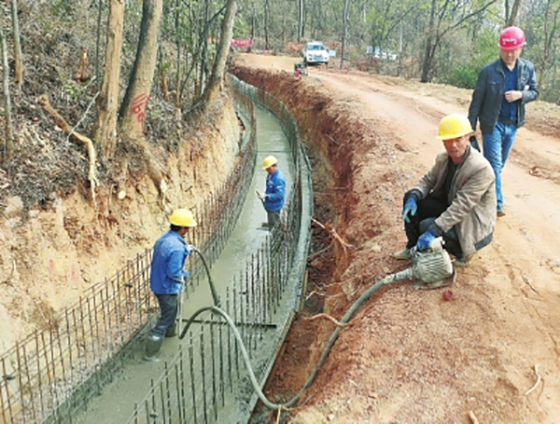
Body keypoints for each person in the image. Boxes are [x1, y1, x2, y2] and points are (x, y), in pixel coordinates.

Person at [394, 114, 496, 269]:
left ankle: (464, 252)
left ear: (468, 137)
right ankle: (413, 247)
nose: (452, 145)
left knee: (427, 226)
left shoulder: (480, 168)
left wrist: (433, 230)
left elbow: (461, 206)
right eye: (448, 140)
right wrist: (413, 197)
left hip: (471, 222)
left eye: (458, 139)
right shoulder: (443, 158)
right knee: (412, 197)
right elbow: (428, 181)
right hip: (451, 205)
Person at [468, 26, 538, 217]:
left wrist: (520, 95)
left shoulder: (527, 69)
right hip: (493, 124)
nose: (509, 54)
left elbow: (535, 92)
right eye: (506, 50)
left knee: (497, 166)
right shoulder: (488, 72)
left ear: (521, 48)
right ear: (500, 49)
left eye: (513, 50)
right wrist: (470, 128)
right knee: (495, 165)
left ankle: (481, 187)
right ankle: (496, 204)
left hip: (513, 125)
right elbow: (477, 101)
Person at [145, 208, 196, 360]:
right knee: (167, 317)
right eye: (187, 228)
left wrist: (186, 249)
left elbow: (168, 255)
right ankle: (150, 354)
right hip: (166, 287)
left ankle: (169, 334)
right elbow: (174, 273)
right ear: (182, 228)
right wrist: (184, 275)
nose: (188, 230)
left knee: (171, 311)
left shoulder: (164, 239)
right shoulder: (177, 248)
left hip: (158, 282)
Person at [256, 155, 286, 229]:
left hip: (274, 206)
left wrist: (267, 196)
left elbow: (280, 195)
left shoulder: (278, 179)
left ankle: (276, 236)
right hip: (270, 204)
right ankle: (272, 225)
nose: (267, 170)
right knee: (272, 220)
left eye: (268, 169)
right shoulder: (271, 175)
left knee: (274, 226)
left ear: (273, 166)